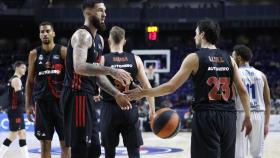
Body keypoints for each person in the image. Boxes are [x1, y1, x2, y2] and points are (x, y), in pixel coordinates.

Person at [127, 18, 253, 158]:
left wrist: (144, 92)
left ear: (202, 35)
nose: (194, 37)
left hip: (207, 116)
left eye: (196, 33)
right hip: (229, 117)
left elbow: (171, 86)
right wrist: (248, 116)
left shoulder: (194, 58)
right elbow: (242, 91)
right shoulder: (229, 59)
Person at [60, 1, 132, 158]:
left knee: (94, 150)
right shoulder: (82, 35)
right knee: (81, 149)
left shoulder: (98, 39)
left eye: (105, 11)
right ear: (88, 13)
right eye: (100, 11)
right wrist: (111, 70)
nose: (105, 14)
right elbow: (79, 67)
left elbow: (97, 74)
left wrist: (116, 94)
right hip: (76, 95)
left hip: (88, 97)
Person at [100, 26, 155, 158]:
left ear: (109, 40)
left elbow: (97, 82)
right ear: (124, 41)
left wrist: (96, 93)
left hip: (109, 109)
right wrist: (152, 110)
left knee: (109, 153)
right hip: (130, 109)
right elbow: (147, 87)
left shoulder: (102, 59)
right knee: (134, 152)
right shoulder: (135, 59)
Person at [25, 21, 70, 158]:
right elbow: (30, 81)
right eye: (42, 31)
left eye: (48, 31)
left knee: (66, 144)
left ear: (53, 33)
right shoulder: (34, 54)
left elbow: (71, 78)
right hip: (42, 104)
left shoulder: (63, 51)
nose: (45, 34)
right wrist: (28, 105)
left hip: (61, 103)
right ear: (39, 35)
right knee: (44, 145)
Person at [232, 45, 271, 158]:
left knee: (238, 155)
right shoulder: (261, 75)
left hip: (241, 113)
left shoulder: (235, 74)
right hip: (259, 114)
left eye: (233, 56)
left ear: (238, 58)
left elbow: (232, 98)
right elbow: (268, 102)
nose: (232, 58)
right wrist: (266, 124)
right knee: (257, 154)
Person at [0, 61, 29, 158]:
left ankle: (26, 156)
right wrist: (27, 100)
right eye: (23, 68)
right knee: (13, 134)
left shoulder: (13, 79)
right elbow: (19, 98)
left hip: (16, 110)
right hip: (15, 111)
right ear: (18, 68)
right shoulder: (17, 80)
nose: (25, 70)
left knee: (22, 133)